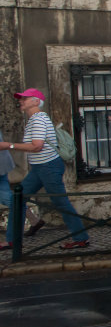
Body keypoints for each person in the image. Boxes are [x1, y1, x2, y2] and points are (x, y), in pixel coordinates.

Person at [0, 89, 89, 249]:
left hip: (48, 167)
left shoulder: (39, 119)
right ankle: (12, 241)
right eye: (21, 99)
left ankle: (81, 238)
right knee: (17, 200)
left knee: (61, 202)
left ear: (35, 101)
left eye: (25, 99)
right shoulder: (34, 119)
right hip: (39, 168)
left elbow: (37, 146)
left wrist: (9, 145)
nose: (21, 101)